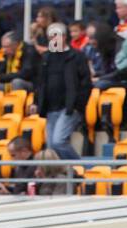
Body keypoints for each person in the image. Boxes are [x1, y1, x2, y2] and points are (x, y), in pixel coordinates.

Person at [34, 24, 92, 162]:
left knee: (58, 142)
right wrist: (36, 102)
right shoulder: (46, 58)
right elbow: (40, 83)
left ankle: (78, 167)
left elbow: (86, 84)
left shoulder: (77, 56)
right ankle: (61, 176)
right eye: (50, 37)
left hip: (69, 108)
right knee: (51, 148)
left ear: (64, 37)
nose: (53, 39)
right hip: (50, 108)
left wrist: (78, 105)